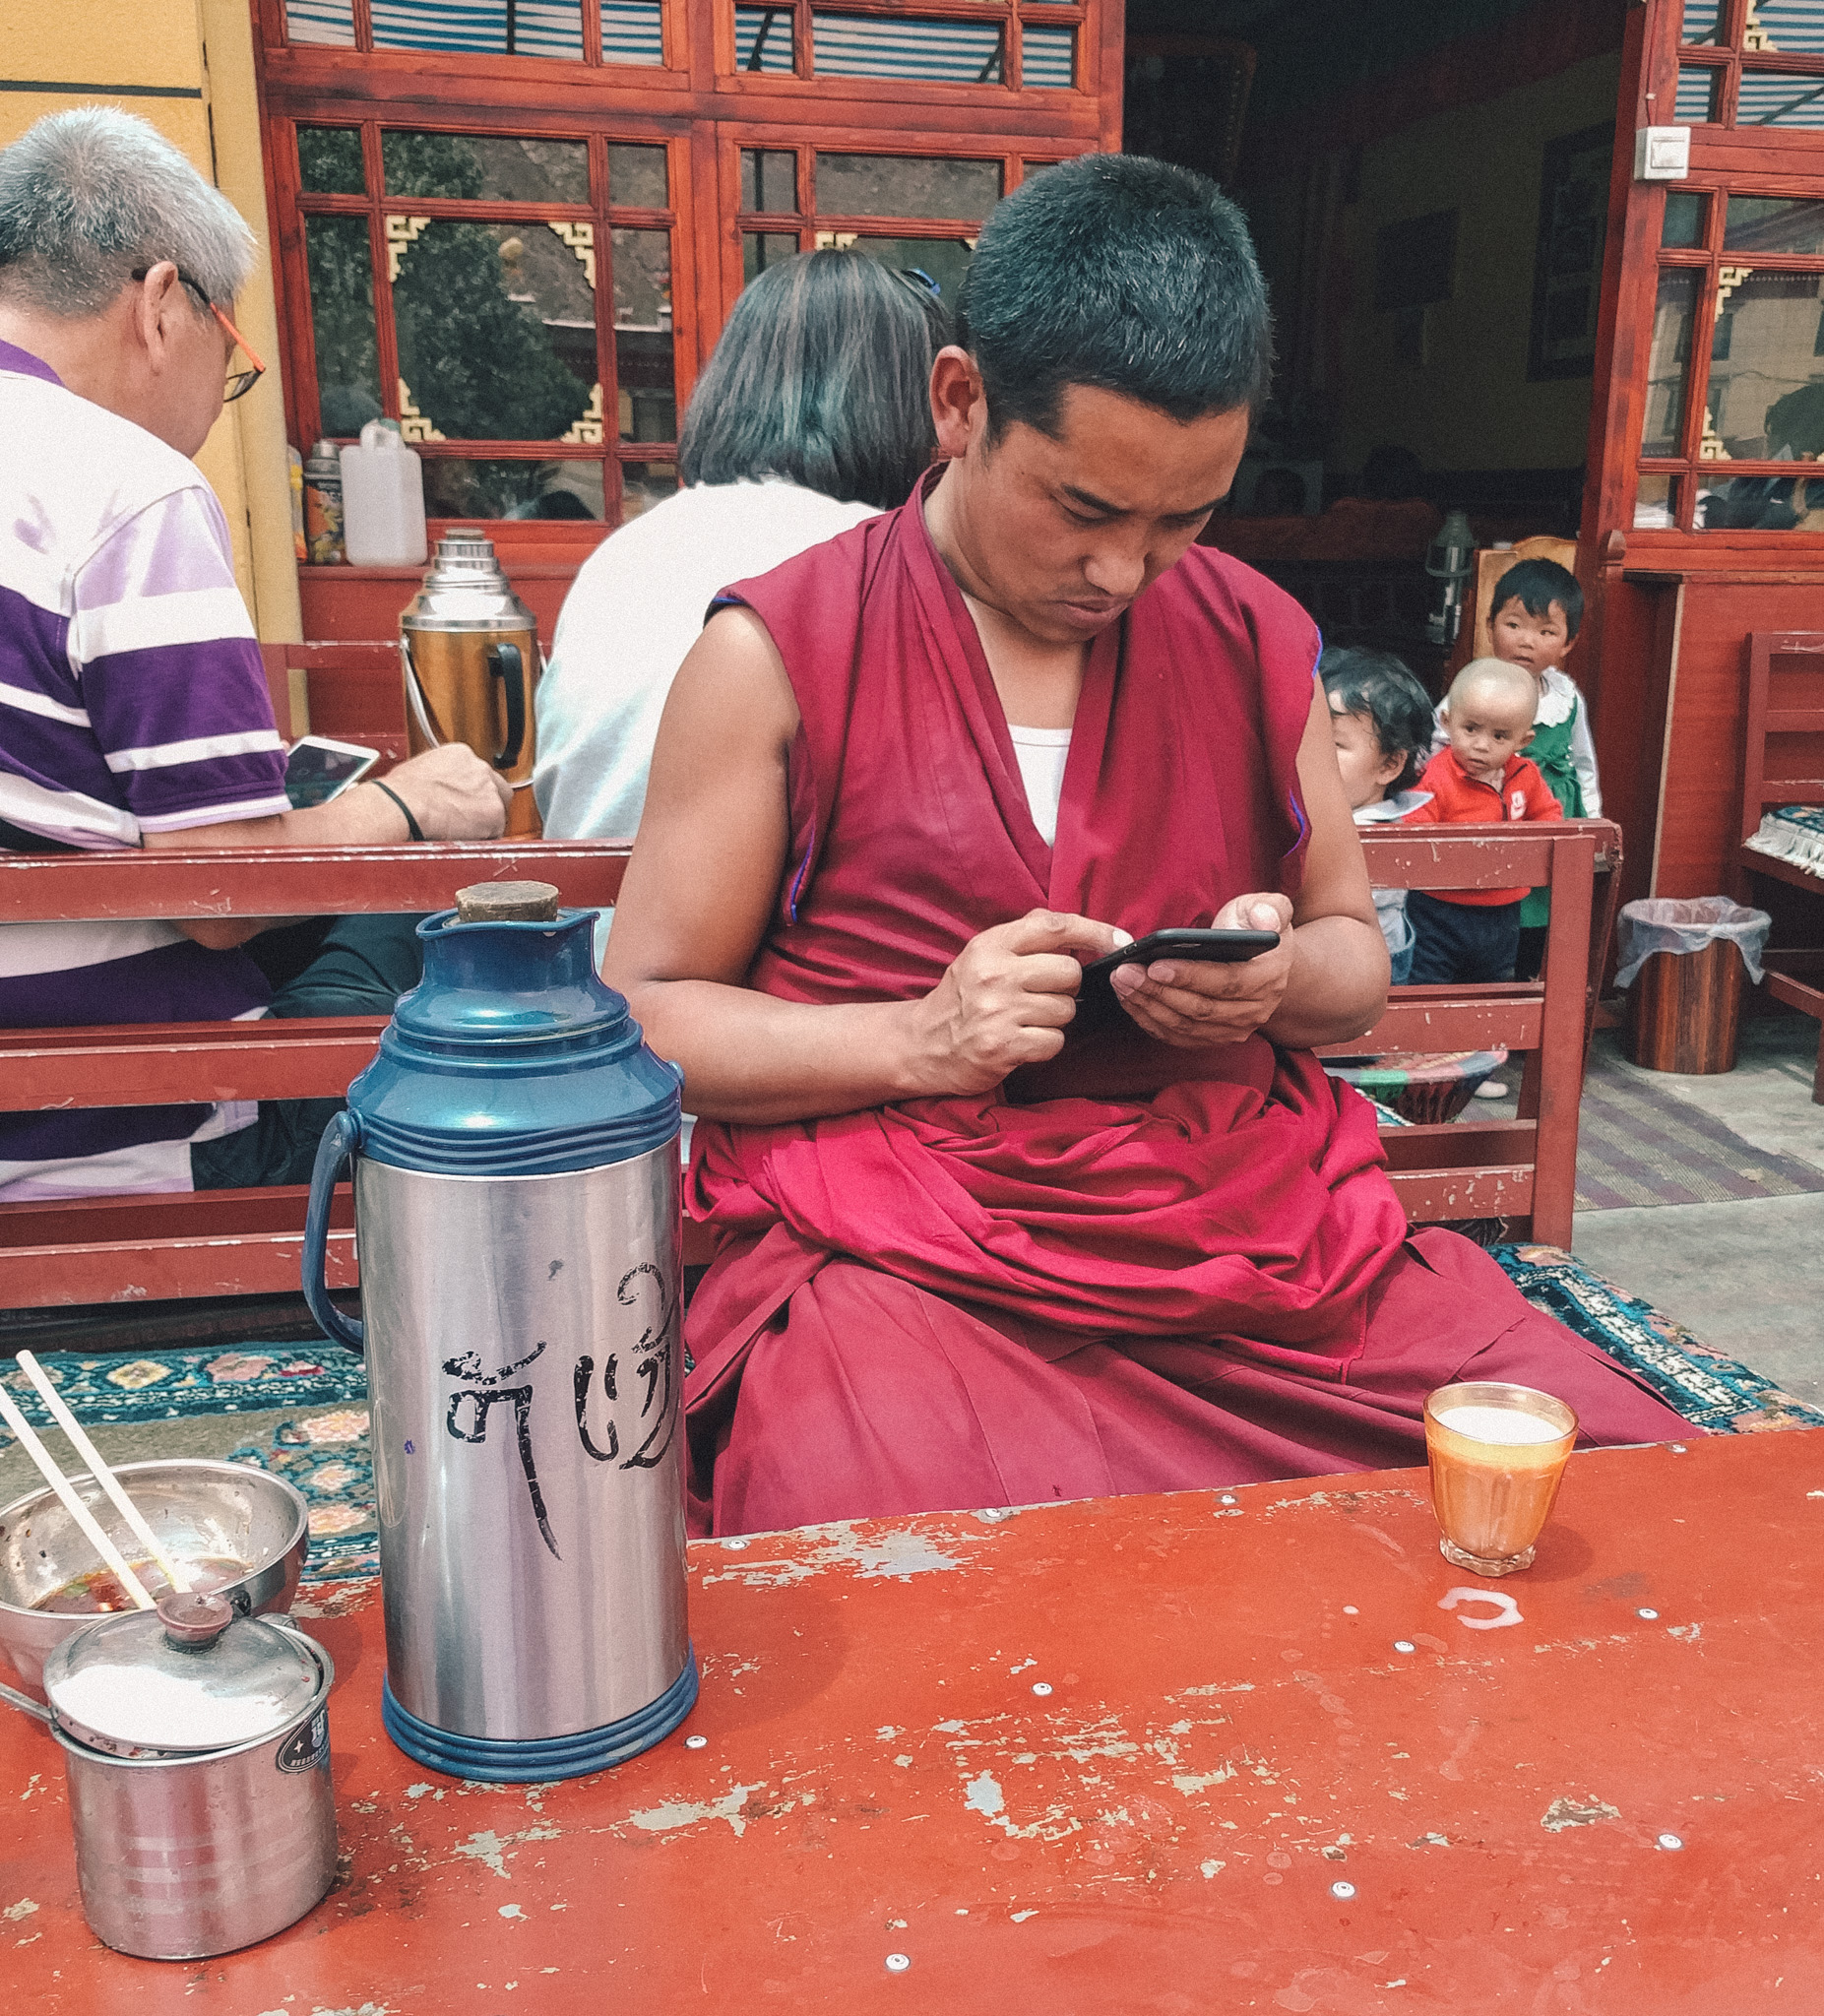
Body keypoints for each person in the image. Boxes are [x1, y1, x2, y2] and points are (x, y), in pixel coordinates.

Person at [604, 154, 1690, 1538]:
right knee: (896, 1556)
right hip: (900, 1240)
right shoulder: (778, 651)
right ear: (960, 406)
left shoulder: (1250, 638)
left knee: (1618, 1488)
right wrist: (919, 1040)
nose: (1123, 573)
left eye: (1183, 519)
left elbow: (1353, 962)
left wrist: (1272, 980)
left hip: (1248, 1234)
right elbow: (642, 1015)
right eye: (1082, 509)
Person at [0, 108, 509, 1201]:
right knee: (417, 902)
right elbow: (221, 889)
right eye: (233, 360)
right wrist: (408, 809)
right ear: (160, 304)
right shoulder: (119, 486)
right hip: (110, 1149)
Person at [535, 252, 951, 844]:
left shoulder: (628, 550)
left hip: (582, 922)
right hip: (723, 926)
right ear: (905, 407)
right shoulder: (876, 561)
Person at [1402, 660, 1562, 985]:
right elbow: (1413, 835)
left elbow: (1549, 818)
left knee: (1494, 986)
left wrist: (1529, 846)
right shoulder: (1435, 779)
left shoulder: (1525, 777)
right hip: (1439, 910)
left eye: (1499, 736)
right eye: (1470, 728)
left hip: (1503, 913)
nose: (1481, 744)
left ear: (1522, 741)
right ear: (1447, 722)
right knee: (1428, 984)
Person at [1482, 556, 1601, 984]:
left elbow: (1583, 761)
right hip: (1496, 814)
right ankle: (1491, 986)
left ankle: (1527, 982)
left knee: (1542, 903)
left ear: (1568, 643)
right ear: (1489, 624)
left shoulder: (1566, 697)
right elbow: (1440, 745)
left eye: (1546, 632)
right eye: (1513, 625)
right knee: (1497, 901)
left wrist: (1592, 820)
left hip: (1551, 817)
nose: (1526, 642)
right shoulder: (1476, 687)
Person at [1320, 647, 1434, 983]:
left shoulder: (1379, 831)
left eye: (1335, 744)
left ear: (1389, 765)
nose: (1311, 753)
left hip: (1369, 971)